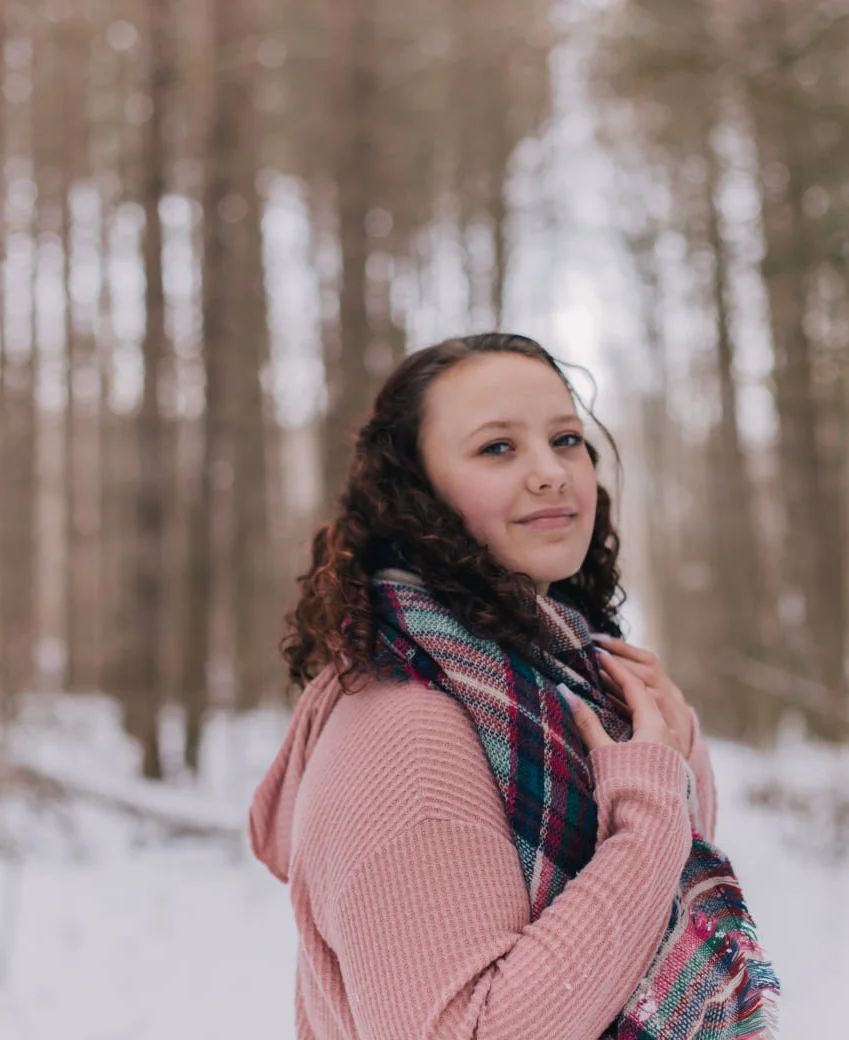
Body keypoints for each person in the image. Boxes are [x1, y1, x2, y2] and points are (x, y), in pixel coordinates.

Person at [249, 333, 779, 1040]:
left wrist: (675, 760)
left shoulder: (566, 678)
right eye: (498, 447)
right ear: (416, 493)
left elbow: (655, 903)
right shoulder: (408, 730)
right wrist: (650, 808)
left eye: (566, 440)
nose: (551, 473)